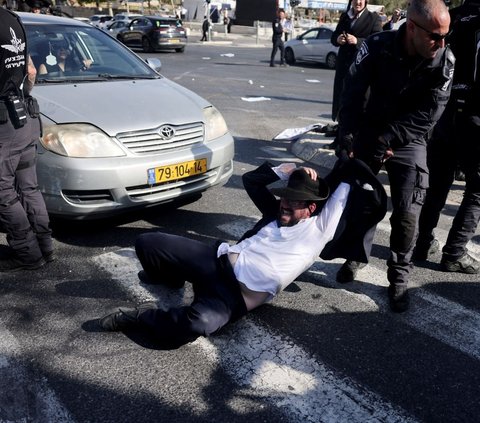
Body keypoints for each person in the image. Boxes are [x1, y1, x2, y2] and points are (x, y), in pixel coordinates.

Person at [98, 159, 386, 346]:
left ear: (310, 209)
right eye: (285, 197)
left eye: (294, 201)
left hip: (233, 296)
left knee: (199, 323)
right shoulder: (275, 212)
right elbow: (252, 181)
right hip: (215, 260)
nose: (285, 203)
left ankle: (137, 318)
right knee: (147, 242)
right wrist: (285, 170)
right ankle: (172, 277)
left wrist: (366, 160)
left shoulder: (319, 230)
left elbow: (348, 180)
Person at [335, 0, 454, 312]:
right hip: (370, 129)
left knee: (406, 213)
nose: (441, 43)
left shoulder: (445, 60)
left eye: (445, 36)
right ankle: (355, 256)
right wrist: (347, 132)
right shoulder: (376, 46)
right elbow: (353, 91)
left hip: (408, 137)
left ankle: (398, 276)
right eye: (435, 36)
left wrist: (391, 138)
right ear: (411, 28)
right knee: (363, 202)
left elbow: (429, 115)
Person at [413, 0, 480, 274]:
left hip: (446, 110)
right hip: (474, 116)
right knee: (477, 188)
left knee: (439, 182)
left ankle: (422, 242)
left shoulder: (454, 17)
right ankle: (454, 252)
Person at [0, 8, 54, 271]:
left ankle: (28, 254)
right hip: (24, 118)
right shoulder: (14, 19)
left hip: (3, 127)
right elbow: (30, 71)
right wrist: (19, 98)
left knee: (3, 195)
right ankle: (45, 246)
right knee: (28, 188)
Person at [327, 0, 382, 149]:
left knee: (356, 103)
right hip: (343, 67)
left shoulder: (373, 18)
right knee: (341, 102)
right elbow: (334, 37)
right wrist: (338, 39)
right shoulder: (345, 17)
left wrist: (357, 41)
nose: (357, 2)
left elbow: (377, 41)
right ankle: (339, 137)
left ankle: (353, 140)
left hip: (361, 68)